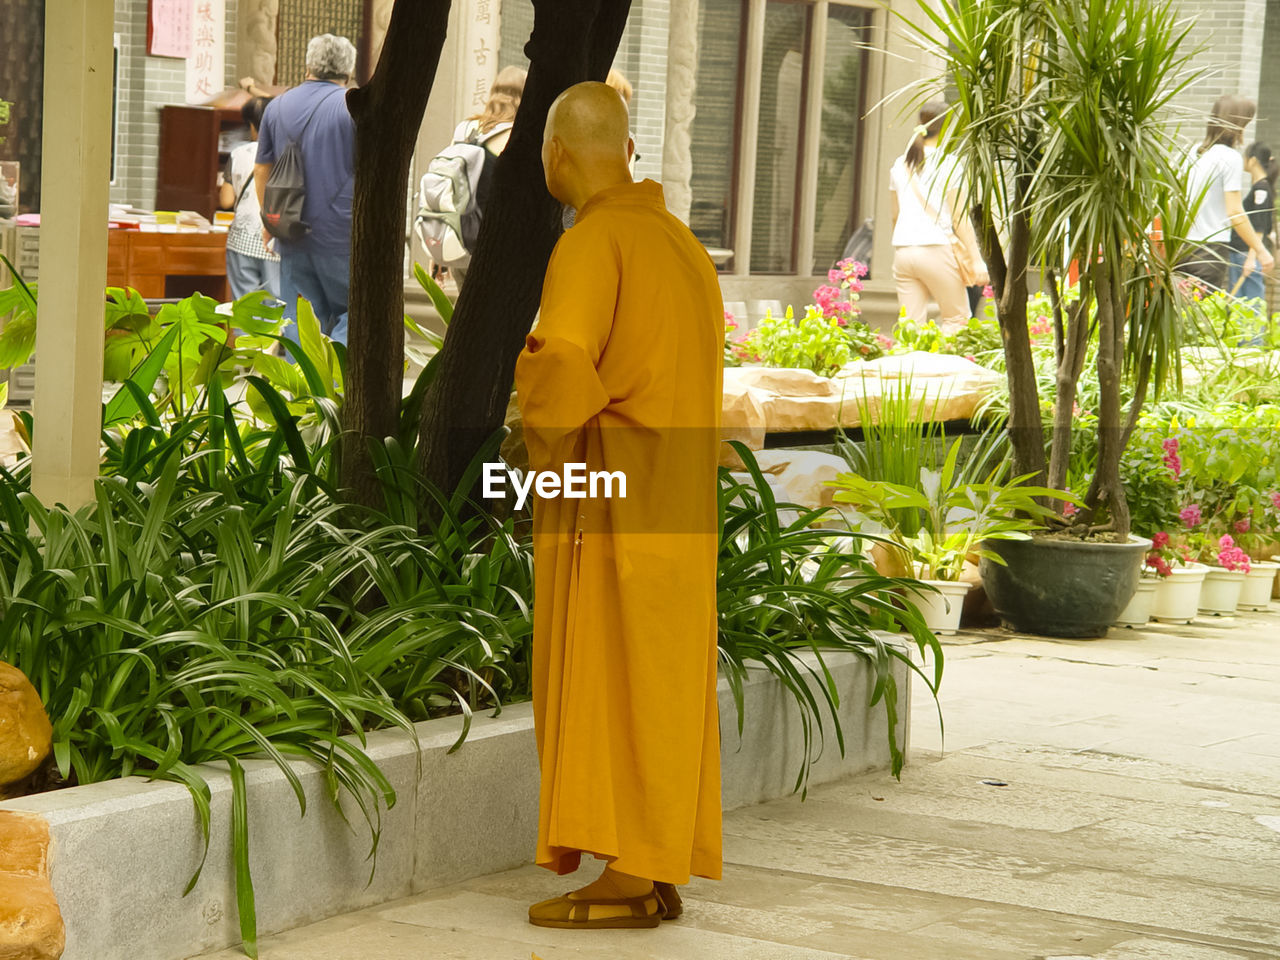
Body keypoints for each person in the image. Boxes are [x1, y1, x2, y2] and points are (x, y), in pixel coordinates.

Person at [515, 81, 723, 930]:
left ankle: (631, 871)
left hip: (613, 506)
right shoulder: (681, 247)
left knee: (614, 680)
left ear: (559, 152)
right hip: (678, 504)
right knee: (664, 685)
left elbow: (562, 364)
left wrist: (532, 445)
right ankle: (655, 858)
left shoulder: (594, 243)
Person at [254, 34, 356, 345]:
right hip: (343, 234)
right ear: (348, 71)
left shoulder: (277, 106)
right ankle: (336, 389)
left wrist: (268, 221)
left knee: (301, 319)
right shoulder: (354, 107)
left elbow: (262, 170)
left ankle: (303, 389)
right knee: (353, 313)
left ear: (308, 65)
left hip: (291, 232)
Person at [888, 101, 987, 333]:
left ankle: (909, 368)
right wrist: (976, 259)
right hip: (935, 248)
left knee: (911, 326)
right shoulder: (949, 165)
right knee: (957, 320)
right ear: (947, 128)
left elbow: (895, 215)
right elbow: (959, 218)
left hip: (903, 251)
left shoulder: (899, 165)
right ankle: (951, 370)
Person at [438, 65, 526, 288]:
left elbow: (447, 186)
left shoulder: (466, 129)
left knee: (467, 318)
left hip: (464, 247)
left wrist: (439, 252)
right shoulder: (520, 137)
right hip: (504, 251)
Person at [1182, 95, 1274, 291]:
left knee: (1179, 312)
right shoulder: (1230, 157)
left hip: (1180, 246)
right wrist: (1261, 251)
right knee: (1202, 313)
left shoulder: (1191, 152)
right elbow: (1235, 211)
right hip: (1210, 250)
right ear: (1237, 125)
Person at [219, 96, 280, 301]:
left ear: (252, 125)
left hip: (242, 240)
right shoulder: (288, 153)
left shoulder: (238, 154)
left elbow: (226, 201)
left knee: (244, 308)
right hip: (275, 241)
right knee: (275, 308)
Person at [1227, 142, 1277, 301]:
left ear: (1253, 160)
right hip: (1241, 252)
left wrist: (1251, 259)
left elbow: (1259, 226)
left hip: (1246, 254)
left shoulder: (1261, 189)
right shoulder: (1259, 187)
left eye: (1245, 156)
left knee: (1250, 304)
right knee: (1239, 306)